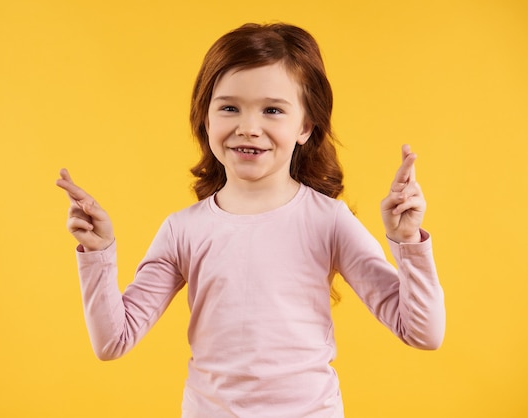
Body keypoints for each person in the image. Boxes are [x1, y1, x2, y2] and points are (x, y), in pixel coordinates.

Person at [56, 22, 445, 418]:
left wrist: (408, 242)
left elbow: (422, 332)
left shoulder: (329, 221)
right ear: (205, 119)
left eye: (272, 110)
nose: (248, 128)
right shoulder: (183, 230)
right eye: (229, 107)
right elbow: (113, 341)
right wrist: (98, 251)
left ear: (305, 126)